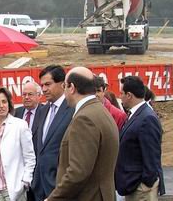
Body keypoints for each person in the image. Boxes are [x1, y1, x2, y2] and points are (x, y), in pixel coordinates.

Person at [46, 67, 119, 201]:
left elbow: (78, 172)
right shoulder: (99, 111)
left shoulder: (84, 118)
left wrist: (52, 199)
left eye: (64, 87)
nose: (64, 92)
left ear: (72, 87)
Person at [115, 76, 165, 201]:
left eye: (121, 93)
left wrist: (145, 184)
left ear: (129, 95)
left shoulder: (147, 118)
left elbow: (152, 155)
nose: (120, 96)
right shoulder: (135, 115)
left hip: (141, 189)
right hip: (133, 186)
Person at [0, 87, 36, 201]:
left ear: (9, 104)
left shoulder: (20, 125)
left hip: (14, 187)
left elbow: (29, 157)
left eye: (4, 101)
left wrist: (25, 182)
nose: (1, 106)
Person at [30, 65, 74, 201]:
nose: (43, 89)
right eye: (42, 85)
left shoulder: (73, 110)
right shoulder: (43, 111)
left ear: (62, 85)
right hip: (40, 187)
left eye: (48, 84)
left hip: (60, 187)